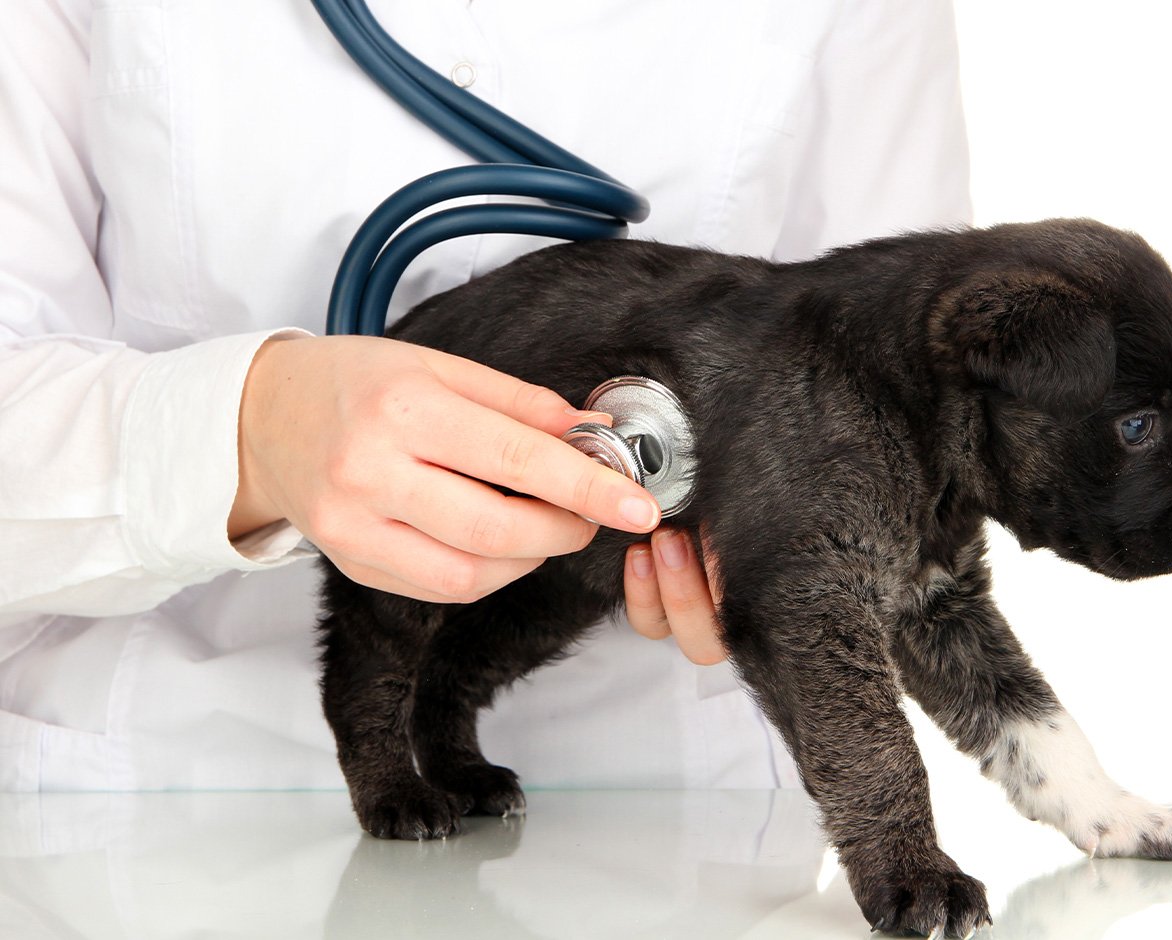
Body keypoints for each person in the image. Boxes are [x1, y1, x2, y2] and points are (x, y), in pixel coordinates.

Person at [0, 0, 970, 792]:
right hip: (162, 785)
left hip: (665, 810)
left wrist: (795, 534)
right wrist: (250, 433)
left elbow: (898, 376)